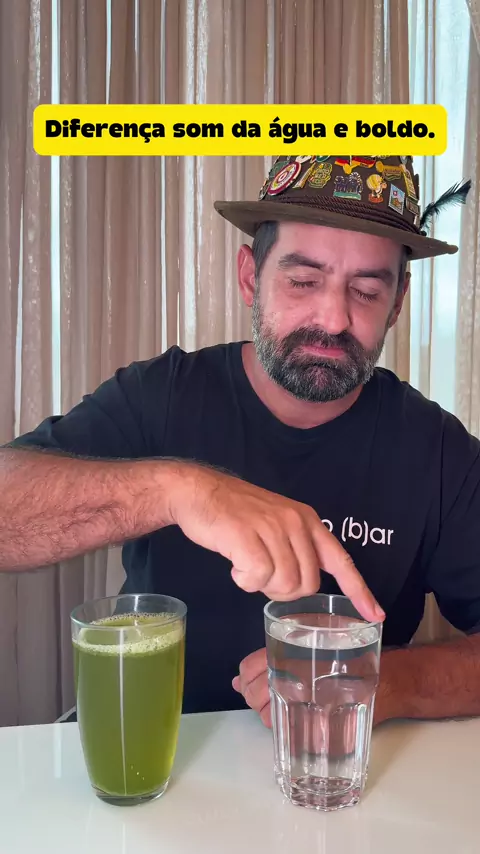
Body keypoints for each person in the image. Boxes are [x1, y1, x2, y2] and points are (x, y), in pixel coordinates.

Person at [2, 154, 479, 728]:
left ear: (397, 303)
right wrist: (181, 492)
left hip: (340, 765)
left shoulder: (437, 449)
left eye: (366, 291)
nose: (333, 319)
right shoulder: (162, 395)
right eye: (303, 281)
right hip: (156, 750)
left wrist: (387, 680)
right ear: (250, 276)